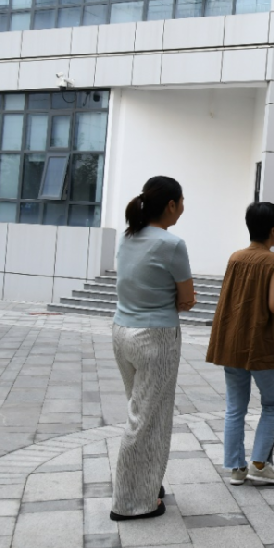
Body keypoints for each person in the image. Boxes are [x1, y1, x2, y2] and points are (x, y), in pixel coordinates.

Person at [110, 176, 195, 521]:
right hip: (156, 337)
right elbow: (187, 299)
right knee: (148, 420)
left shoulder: (127, 236)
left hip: (121, 332)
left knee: (141, 412)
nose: (183, 208)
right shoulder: (173, 244)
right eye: (182, 201)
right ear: (171, 205)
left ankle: (146, 485)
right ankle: (130, 502)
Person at [207, 202, 274, 486]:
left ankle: (236, 468)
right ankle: (259, 463)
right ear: (272, 231)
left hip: (233, 341)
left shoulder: (235, 257)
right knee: (272, 404)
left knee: (235, 408)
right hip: (262, 344)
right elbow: (273, 305)